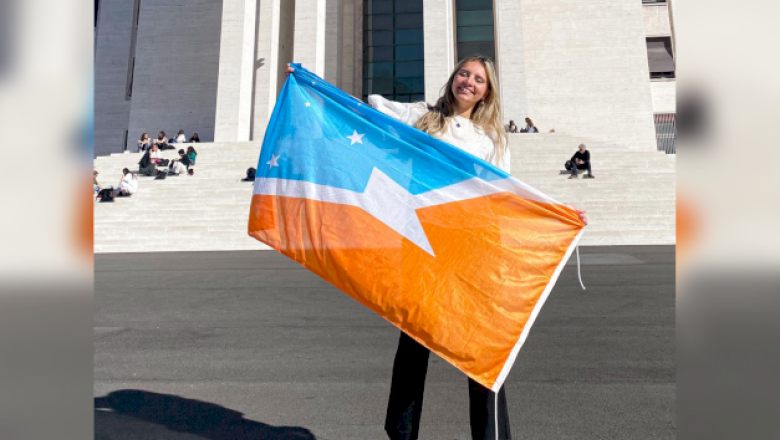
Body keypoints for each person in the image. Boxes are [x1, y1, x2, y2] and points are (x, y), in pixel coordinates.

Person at [288, 58, 586, 440]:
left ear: (487, 91)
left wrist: (557, 212)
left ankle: (492, 435)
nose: (470, 82)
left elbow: (505, 192)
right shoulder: (420, 116)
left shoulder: (491, 140)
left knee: (483, 346)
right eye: (465, 74)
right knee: (413, 346)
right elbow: (362, 112)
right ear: (453, 78)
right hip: (421, 244)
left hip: (472, 248)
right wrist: (310, 84)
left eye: (479, 79)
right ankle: (402, 433)